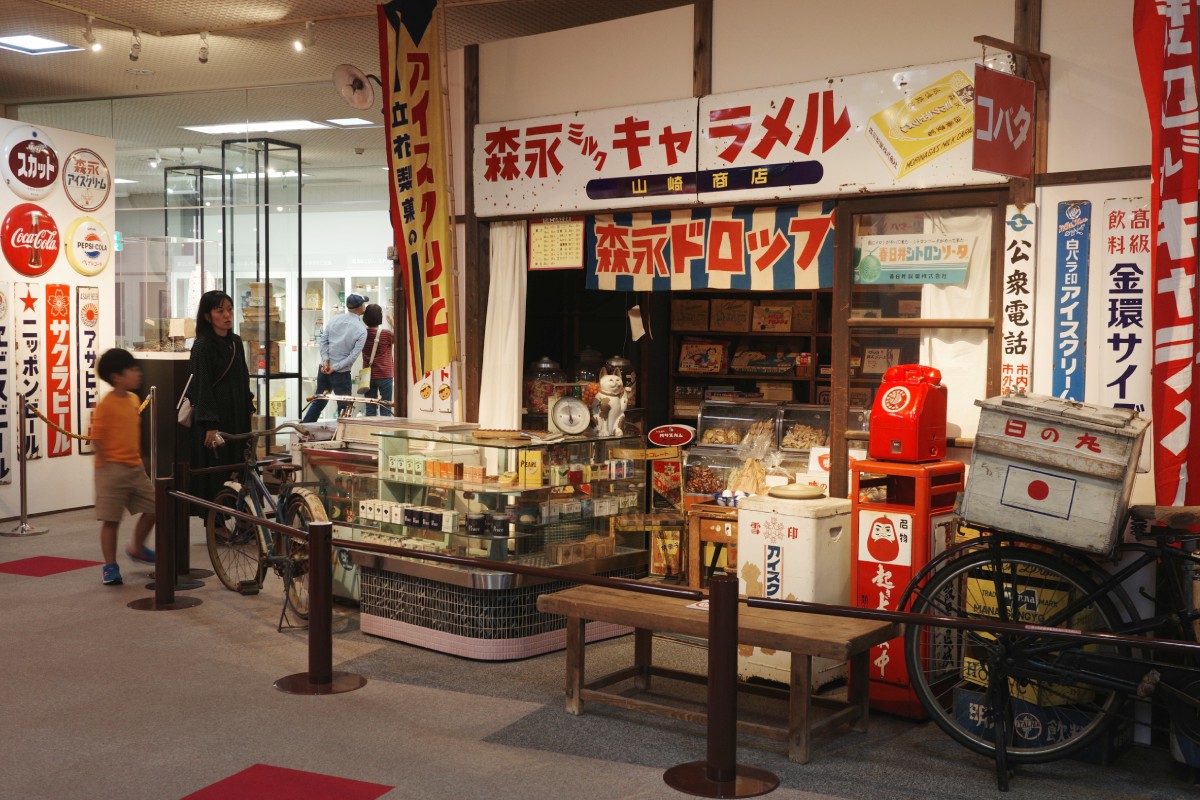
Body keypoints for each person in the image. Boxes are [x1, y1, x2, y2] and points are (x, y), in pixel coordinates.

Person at [186, 289, 254, 516]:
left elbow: (243, 377)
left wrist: (249, 406)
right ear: (207, 316)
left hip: (237, 414)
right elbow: (201, 386)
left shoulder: (235, 342)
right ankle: (215, 524)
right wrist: (210, 423)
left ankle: (243, 520)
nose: (227, 315)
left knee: (240, 467)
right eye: (220, 310)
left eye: (230, 310)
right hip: (214, 419)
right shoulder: (202, 345)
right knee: (217, 471)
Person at [91, 348, 156, 586]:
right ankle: (110, 565)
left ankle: (137, 547)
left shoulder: (134, 400)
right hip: (111, 470)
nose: (138, 373)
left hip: (135, 467)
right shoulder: (106, 405)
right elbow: (97, 438)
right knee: (111, 520)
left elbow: (131, 432)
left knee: (153, 508)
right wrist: (108, 465)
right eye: (132, 369)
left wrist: (139, 458)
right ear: (117, 377)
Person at [302, 293, 369, 422]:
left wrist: (325, 361)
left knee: (319, 401)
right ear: (361, 307)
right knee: (344, 407)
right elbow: (353, 356)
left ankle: (304, 429)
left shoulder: (334, 320)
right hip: (341, 373)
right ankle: (340, 436)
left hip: (324, 369)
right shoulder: (361, 330)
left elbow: (323, 341)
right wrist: (335, 367)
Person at [361, 303, 395, 417]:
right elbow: (401, 336)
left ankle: (369, 433)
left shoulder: (362, 334)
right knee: (386, 407)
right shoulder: (386, 334)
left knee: (370, 408)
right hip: (385, 374)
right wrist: (392, 322)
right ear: (380, 318)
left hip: (367, 376)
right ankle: (384, 433)